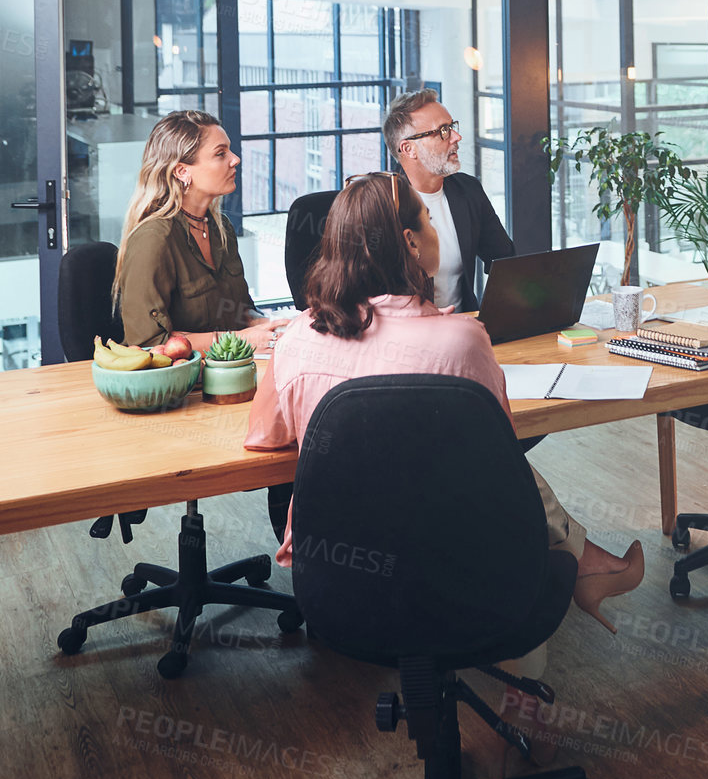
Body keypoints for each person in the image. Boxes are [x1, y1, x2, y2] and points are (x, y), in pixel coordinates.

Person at [245, 173, 644, 631]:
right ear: (411, 244)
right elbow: (499, 449)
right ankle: (575, 579)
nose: (439, 232)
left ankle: (586, 564)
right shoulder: (462, 341)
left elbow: (265, 437)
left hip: (333, 568)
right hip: (456, 556)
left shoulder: (298, 336)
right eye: (431, 222)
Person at [114, 110, 275, 355]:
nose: (235, 159)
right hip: (176, 384)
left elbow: (240, 310)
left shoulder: (220, 228)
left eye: (229, 150)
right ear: (182, 171)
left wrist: (268, 325)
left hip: (228, 370)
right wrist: (240, 339)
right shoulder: (154, 239)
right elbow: (150, 344)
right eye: (220, 154)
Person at [384, 89, 513, 312]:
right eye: (443, 131)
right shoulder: (380, 203)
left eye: (452, 127)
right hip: (404, 336)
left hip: (462, 328)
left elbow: (505, 262)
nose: (456, 137)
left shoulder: (468, 190)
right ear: (409, 149)